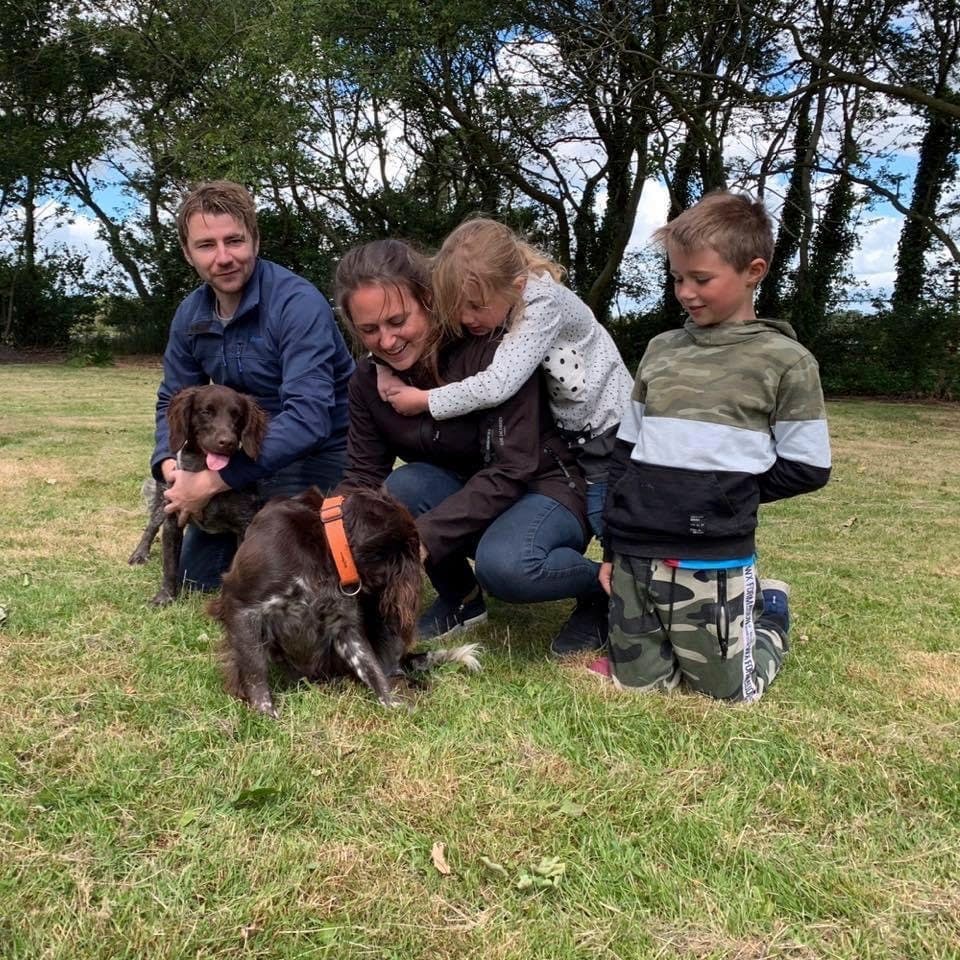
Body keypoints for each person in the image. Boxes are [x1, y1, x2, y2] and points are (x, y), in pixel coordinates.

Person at [596, 190, 831, 701]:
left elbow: (809, 466)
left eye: (701, 279)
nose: (686, 292)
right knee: (638, 689)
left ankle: (768, 615)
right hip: (637, 550)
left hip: (714, 556)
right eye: (678, 278)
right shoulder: (660, 350)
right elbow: (625, 455)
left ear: (754, 270)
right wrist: (612, 547)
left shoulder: (787, 362)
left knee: (725, 697)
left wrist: (725, 493)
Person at [334, 238, 608, 655]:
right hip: (468, 485)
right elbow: (362, 478)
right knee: (401, 489)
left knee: (508, 566)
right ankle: (461, 600)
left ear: (428, 300)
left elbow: (512, 468)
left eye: (397, 321)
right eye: (369, 330)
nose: (387, 341)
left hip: (546, 482)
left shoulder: (495, 349)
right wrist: (327, 539)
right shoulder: (366, 382)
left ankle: (605, 589)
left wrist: (421, 537)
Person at [151, 180, 355, 590]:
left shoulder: (297, 304)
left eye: (235, 241)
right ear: (188, 254)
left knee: (285, 573)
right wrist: (172, 468)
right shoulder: (190, 315)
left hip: (318, 451)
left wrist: (212, 483)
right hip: (238, 449)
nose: (224, 257)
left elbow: (307, 418)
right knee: (198, 578)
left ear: (255, 241)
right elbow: (171, 401)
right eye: (207, 245)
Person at [376, 217, 633, 541]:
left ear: (517, 286)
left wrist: (425, 400)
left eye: (476, 307)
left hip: (610, 431)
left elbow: (499, 384)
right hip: (579, 435)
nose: (466, 318)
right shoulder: (502, 294)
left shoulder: (542, 303)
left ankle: (619, 585)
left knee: (610, 520)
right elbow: (418, 322)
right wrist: (380, 363)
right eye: (458, 307)